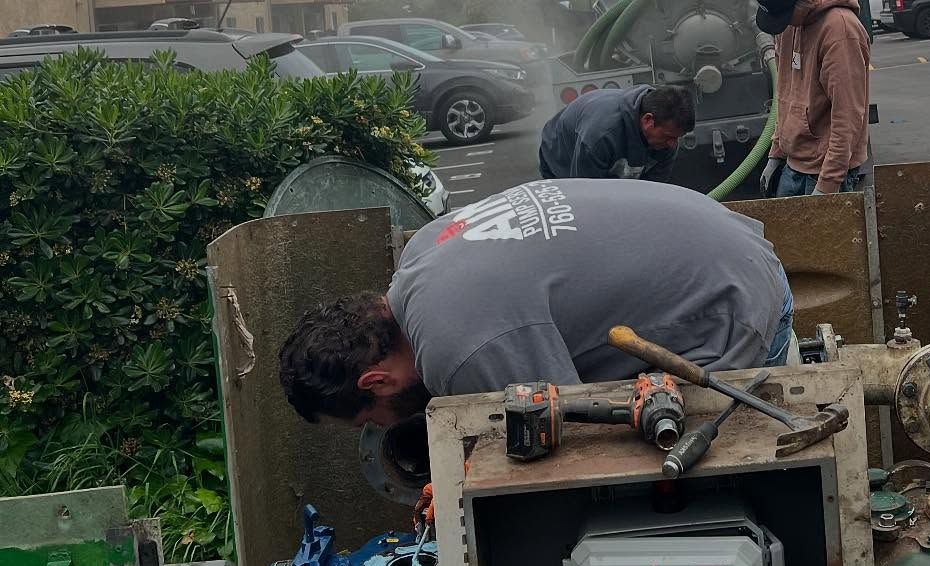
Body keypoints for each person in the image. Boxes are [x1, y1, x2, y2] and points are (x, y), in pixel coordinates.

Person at [277, 178, 796, 428]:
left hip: (733, 302)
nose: (382, 429)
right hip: (726, 240)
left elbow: (569, 441)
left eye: (370, 423)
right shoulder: (422, 254)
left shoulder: (459, 348)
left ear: (375, 382)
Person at [753, 0, 870, 197]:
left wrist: (827, 186)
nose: (782, 23)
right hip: (794, 164)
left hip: (829, 171)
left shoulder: (840, 31)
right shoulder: (788, 26)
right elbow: (785, 93)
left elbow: (847, 115)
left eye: (785, 15)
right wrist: (776, 153)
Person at [538, 83, 694, 182]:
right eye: (668, 137)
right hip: (562, 158)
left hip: (607, 160)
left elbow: (653, 191)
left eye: (677, 138)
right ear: (648, 120)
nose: (673, 144)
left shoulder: (668, 140)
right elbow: (587, 198)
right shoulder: (600, 136)